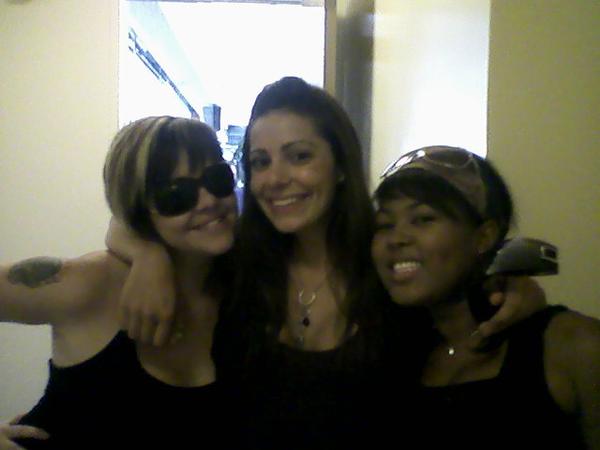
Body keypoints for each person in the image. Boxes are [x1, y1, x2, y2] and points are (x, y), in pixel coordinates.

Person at [108, 78, 548, 449]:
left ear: (339, 165)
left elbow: (461, 277)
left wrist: (512, 288)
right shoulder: (238, 263)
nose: (276, 178)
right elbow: (131, 220)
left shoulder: (389, 261)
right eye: (260, 162)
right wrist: (148, 256)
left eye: (300, 156)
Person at [0, 116, 239, 449]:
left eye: (217, 179)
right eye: (176, 195)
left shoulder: (243, 289)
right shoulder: (94, 283)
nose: (208, 201)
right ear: (139, 210)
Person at [370, 145, 600, 449]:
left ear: (483, 237)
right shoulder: (388, 355)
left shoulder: (574, 346)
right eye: (385, 225)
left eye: (423, 218)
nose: (396, 238)